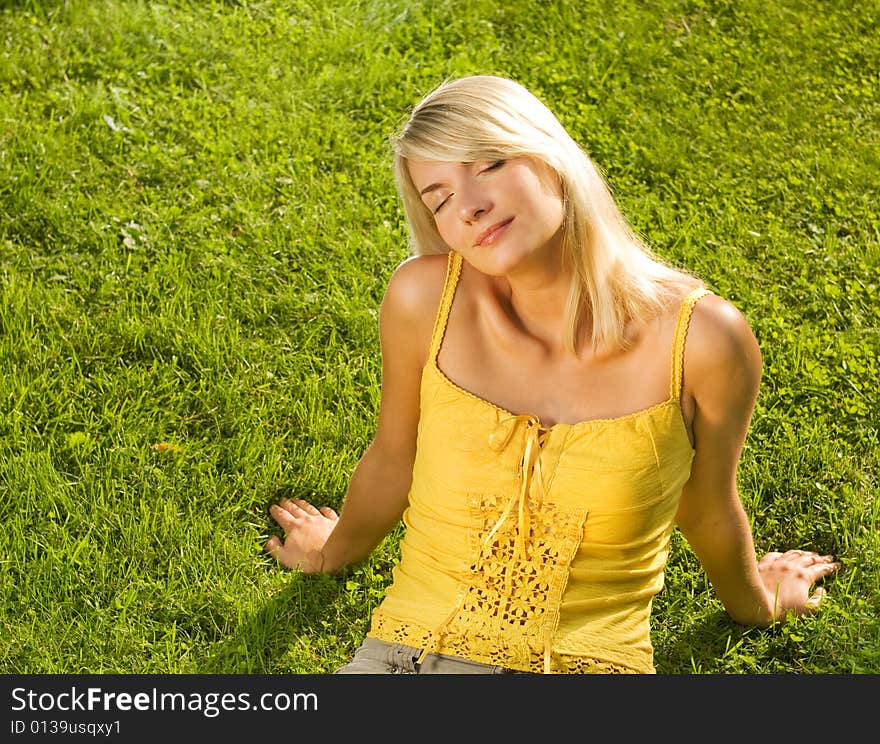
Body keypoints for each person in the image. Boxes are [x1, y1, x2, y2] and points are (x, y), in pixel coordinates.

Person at [264, 74, 841, 674]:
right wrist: (331, 553)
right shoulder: (424, 300)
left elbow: (708, 503)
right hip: (403, 660)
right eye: (438, 198)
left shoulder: (704, 339)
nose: (467, 206)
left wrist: (759, 602)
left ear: (550, 156)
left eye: (488, 164)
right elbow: (393, 453)